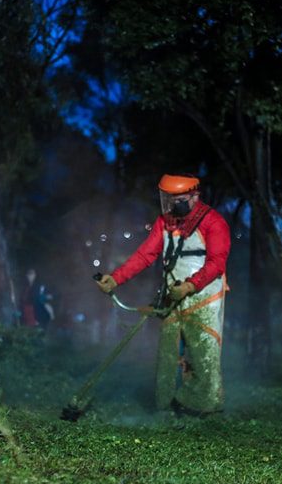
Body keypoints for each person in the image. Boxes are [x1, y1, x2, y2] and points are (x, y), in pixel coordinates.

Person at [96, 174, 231, 415]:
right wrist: (116, 278)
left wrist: (189, 286)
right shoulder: (165, 223)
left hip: (204, 298)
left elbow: (216, 263)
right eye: (167, 199)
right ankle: (165, 405)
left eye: (176, 200)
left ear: (194, 197)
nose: (170, 206)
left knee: (203, 352)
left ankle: (203, 407)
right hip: (173, 297)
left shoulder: (214, 222)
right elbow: (144, 255)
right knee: (167, 352)